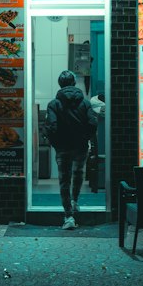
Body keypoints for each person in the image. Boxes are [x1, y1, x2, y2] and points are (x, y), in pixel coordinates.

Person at [45, 70, 98, 229]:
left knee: (64, 180)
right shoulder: (85, 102)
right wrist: (86, 138)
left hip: (63, 147)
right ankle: (75, 201)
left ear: (60, 84)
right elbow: (93, 123)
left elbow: (51, 127)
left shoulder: (54, 104)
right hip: (80, 146)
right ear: (74, 83)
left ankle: (68, 217)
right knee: (78, 174)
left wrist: (55, 143)